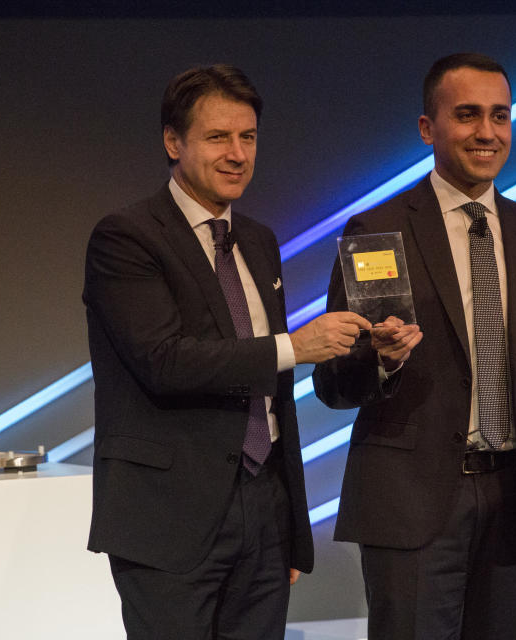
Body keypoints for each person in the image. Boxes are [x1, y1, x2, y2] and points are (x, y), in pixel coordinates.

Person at [313, 52, 516, 639]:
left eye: (500, 116)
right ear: (428, 128)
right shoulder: (378, 231)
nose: (486, 133)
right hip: (412, 505)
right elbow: (334, 384)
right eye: (467, 115)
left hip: (515, 507)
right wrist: (379, 361)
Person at [83, 64, 370, 639]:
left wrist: (375, 352)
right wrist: (295, 345)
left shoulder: (259, 240)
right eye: (218, 137)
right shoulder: (127, 237)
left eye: (249, 137)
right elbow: (164, 361)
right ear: (173, 142)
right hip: (169, 516)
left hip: (264, 513)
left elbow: (274, 389)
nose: (238, 154)